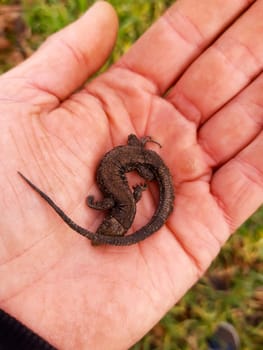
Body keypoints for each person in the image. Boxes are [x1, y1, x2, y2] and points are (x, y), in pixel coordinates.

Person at [0, 0, 262, 349]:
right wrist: (102, 198)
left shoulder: (125, 202)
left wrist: (121, 188)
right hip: (137, 163)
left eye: (104, 228)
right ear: (118, 221)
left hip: (140, 164)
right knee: (141, 162)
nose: (102, 229)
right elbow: (118, 197)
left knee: (144, 167)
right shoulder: (119, 203)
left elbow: (128, 195)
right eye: (109, 230)